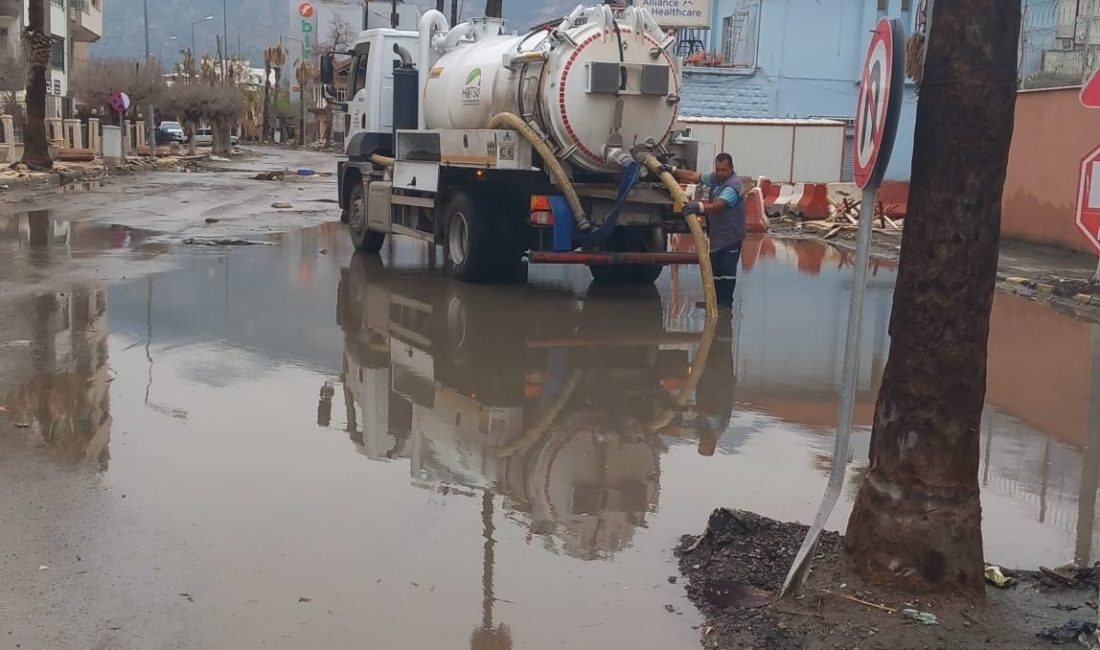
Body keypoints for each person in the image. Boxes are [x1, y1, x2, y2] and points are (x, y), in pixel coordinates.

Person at [664, 153, 745, 308]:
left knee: (727, 272)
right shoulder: (715, 178)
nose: (720, 173)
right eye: (718, 169)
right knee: (714, 271)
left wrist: (698, 207)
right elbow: (694, 176)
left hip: (731, 236)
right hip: (717, 236)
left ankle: (725, 303)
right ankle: (712, 301)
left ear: (731, 168)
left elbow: (720, 205)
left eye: (724, 170)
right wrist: (673, 170)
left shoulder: (733, 185)